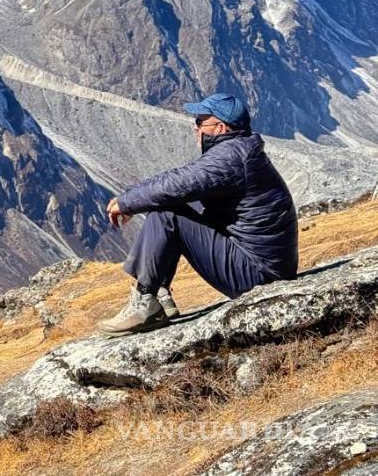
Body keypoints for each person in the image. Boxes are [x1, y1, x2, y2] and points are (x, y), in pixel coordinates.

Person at [96, 92, 298, 337]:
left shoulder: (230, 158)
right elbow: (180, 183)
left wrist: (126, 203)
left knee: (167, 214)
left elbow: (176, 184)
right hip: (264, 266)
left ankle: (144, 302)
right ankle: (160, 295)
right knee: (174, 206)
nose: (196, 128)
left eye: (201, 122)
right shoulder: (240, 151)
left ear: (220, 128)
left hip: (259, 274)